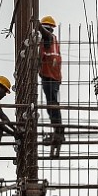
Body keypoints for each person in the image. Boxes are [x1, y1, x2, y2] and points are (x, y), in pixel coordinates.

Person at [38, 15, 63, 143]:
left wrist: (36, 24)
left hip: (51, 77)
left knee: (52, 103)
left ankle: (59, 131)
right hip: (49, 75)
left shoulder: (49, 38)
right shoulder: (48, 41)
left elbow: (45, 34)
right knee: (51, 104)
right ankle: (57, 130)